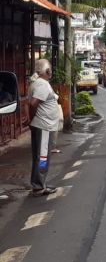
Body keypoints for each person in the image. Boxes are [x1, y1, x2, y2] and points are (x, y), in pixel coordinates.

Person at [28, 59, 58, 197]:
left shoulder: (38, 83)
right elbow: (33, 103)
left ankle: (38, 184)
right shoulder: (42, 85)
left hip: (41, 124)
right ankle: (39, 186)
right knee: (43, 157)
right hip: (44, 126)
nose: (51, 71)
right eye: (50, 69)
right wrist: (32, 119)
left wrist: (31, 120)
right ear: (47, 71)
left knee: (39, 156)